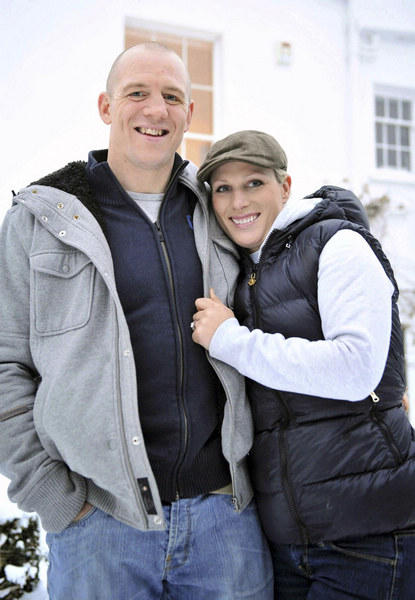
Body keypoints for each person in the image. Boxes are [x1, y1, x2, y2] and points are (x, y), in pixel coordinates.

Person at [0, 49, 273, 599]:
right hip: (101, 523)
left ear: (190, 115)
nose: (156, 108)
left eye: (172, 96)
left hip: (226, 520)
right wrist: (57, 496)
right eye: (137, 93)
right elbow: (7, 366)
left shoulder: (220, 209)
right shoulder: (42, 222)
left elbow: (291, 297)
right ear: (106, 105)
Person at [192, 129, 415, 599]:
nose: (237, 202)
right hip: (289, 541)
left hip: (368, 534)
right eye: (223, 189)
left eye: (253, 183)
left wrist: (231, 339)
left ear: (286, 186)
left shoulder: (337, 246)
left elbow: (355, 368)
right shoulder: (247, 270)